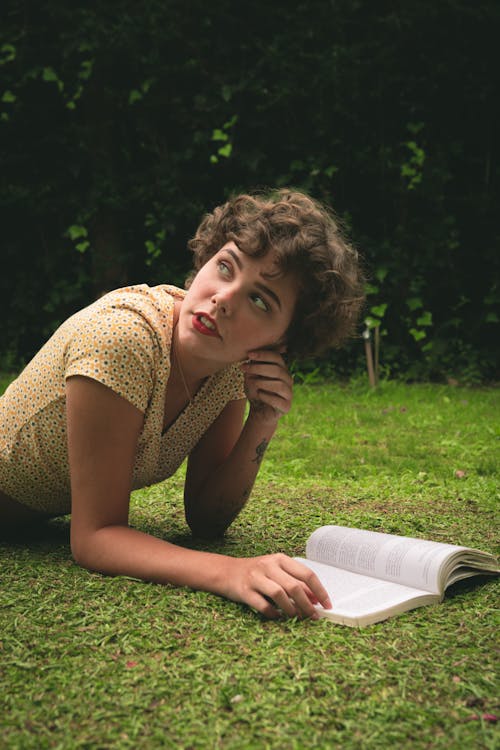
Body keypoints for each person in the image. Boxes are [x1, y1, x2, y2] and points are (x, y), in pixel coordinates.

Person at [0, 189, 365, 620]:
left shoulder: (226, 367)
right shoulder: (123, 337)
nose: (224, 298)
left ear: (282, 341)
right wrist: (231, 573)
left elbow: (207, 519)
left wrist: (263, 418)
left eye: (259, 300)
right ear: (206, 259)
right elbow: (95, 536)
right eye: (226, 267)